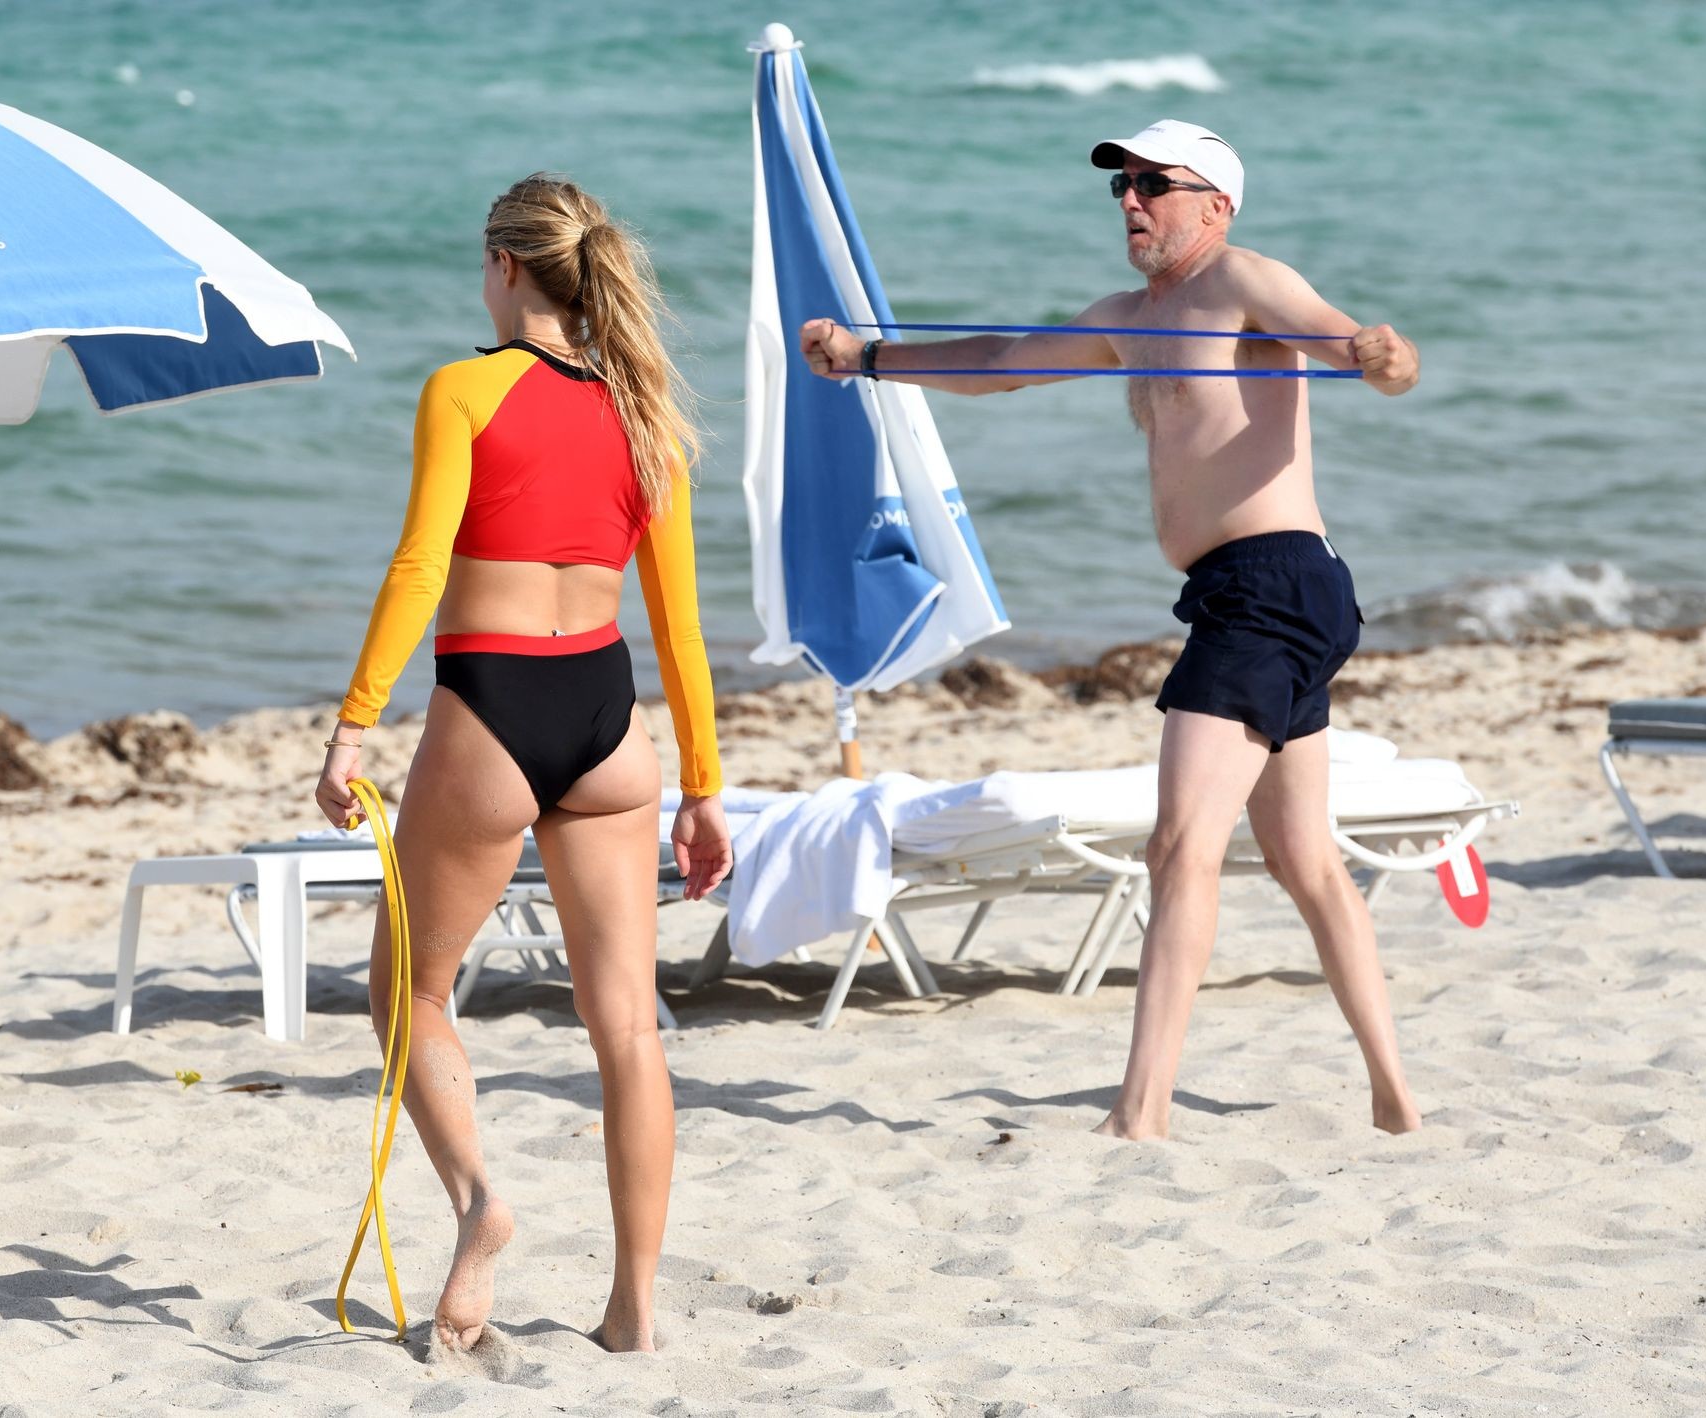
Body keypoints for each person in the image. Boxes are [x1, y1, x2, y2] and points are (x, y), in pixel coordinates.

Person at [799, 120, 1422, 1140]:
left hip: (1270, 588)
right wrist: (867, 357)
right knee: (1305, 858)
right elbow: (1002, 361)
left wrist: (1387, 357)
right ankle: (1395, 1100)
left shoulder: (1246, 280)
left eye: (1153, 184)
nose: (1131, 200)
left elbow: (1350, 347)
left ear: (1215, 203)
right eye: (1122, 186)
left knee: (1180, 846)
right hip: (1260, 591)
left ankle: (1141, 1112)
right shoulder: (1130, 317)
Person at [316, 173, 732, 1351]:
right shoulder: (648, 415)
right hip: (609, 718)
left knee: (408, 992)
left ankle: (479, 1201)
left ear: (505, 266)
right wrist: (703, 786)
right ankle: (633, 1310)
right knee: (629, 1029)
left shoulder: (461, 388)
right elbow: (682, 625)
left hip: (492, 707)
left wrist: (352, 726)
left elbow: (419, 566)